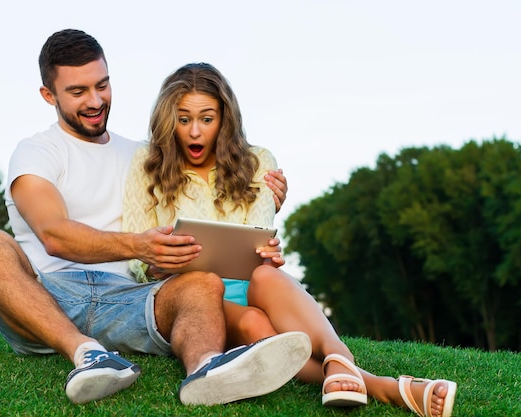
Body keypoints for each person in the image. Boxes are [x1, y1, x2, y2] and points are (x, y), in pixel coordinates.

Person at [0, 29, 313, 406]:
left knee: (202, 282)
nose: (95, 101)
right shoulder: (36, 152)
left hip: (130, 299)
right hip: (48, 294)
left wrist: (263, 192)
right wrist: (139, 246)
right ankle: (85, 353)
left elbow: (207, 186)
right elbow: (54, 235)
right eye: (78, 92)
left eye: (102, 85)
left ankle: (205, 368)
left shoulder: (145, 157)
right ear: (49, 95)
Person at [122, 62, 458, 417]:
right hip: (195, 294)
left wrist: (265, 254)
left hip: (253, 282)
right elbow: (135, 251)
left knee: (267, 275)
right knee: (256, 325)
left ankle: (338, 355)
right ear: (167, 118)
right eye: (183, 118)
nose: (194, 132)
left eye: (207, 118)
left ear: (224, 119)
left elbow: (258, 237)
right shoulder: (147, 163)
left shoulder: (259, 161)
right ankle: (386, 387)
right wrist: (155, 262)